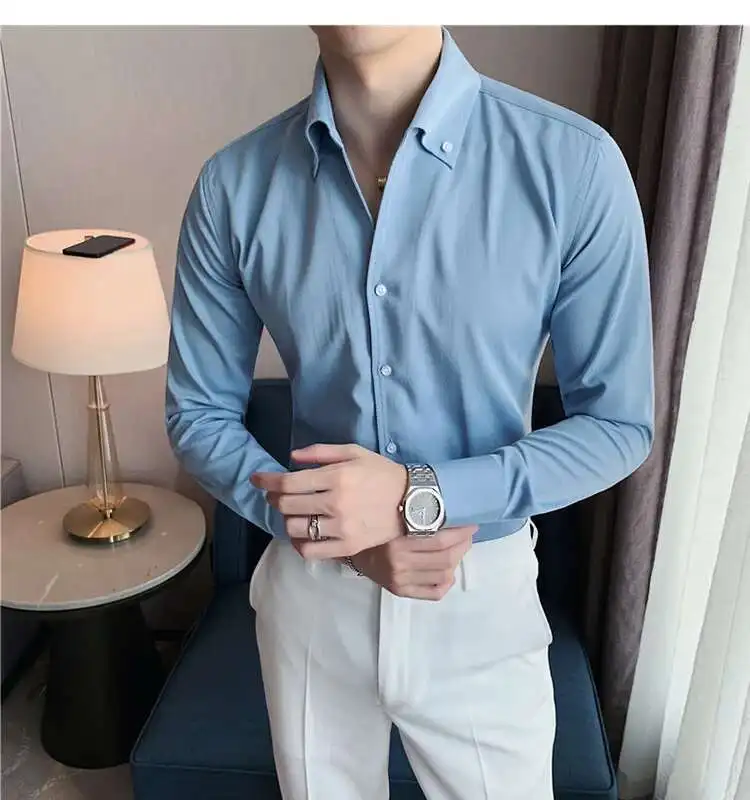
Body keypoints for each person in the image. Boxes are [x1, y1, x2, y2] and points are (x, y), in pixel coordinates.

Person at [166, 25, 654, 800]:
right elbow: (198, 412)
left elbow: (619, 425)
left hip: (479, 595)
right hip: (311, 593)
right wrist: (328, 531)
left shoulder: (573, 165)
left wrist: (414, 496)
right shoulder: (233, 185)